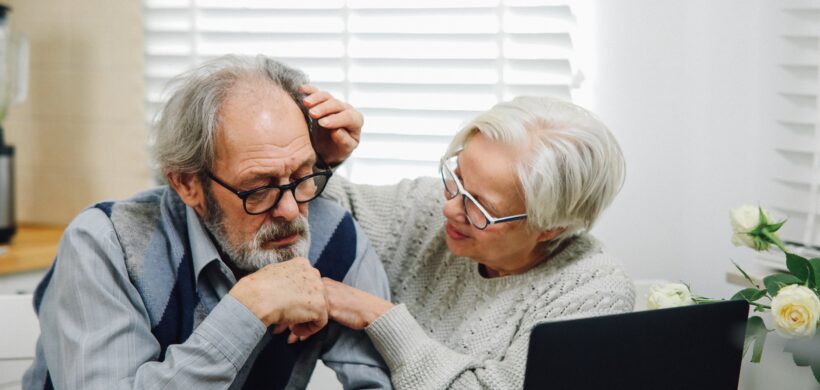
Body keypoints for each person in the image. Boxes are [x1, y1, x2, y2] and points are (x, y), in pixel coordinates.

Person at [23, 55, 391, 389]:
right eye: (258, 188)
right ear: (187, 184)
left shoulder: (334, 236)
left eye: (302, 173)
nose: (291, 211)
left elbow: (378, 382)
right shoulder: (104, 245)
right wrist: (249, 309)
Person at [318, 96, 635, 389]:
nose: (449, 208)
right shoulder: (430, 207)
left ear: (550, 227)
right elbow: (328, 211)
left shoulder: (592, 294)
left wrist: (379, 317)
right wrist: (319, 160)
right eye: (456, 178)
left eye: (481, 207)